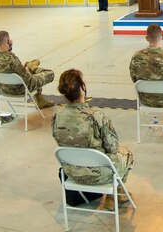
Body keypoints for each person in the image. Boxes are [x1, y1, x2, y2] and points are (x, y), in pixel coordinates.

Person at [52, 69, 135, 207]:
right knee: (126, 154)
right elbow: (112, 147)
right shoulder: (96, 116)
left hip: (72, 173)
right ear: (83, 87)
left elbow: (61, 142)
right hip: (98, 174)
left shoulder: (57, 116)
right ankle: (113, 196)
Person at [0, 31, 55, 109]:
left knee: (25, 70)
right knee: (50, 73)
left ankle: (41, 101)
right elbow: (27, 78)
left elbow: (4, 59)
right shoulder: (12, 60)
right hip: (20, 89)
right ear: (8, 41)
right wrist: (29, 69)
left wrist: (9, 48)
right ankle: (33, 66)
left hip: (4, 89)